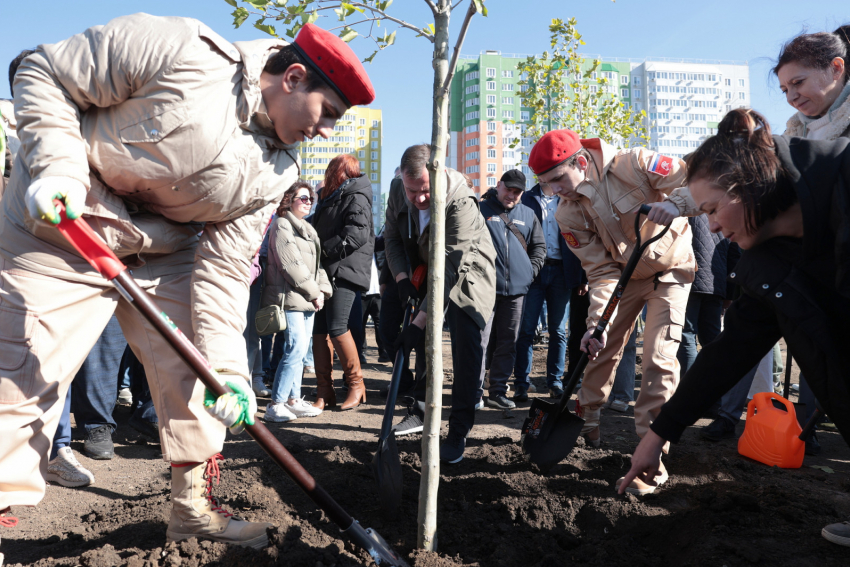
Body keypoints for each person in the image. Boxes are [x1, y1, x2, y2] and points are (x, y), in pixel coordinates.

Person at [0, 15, 374, 549]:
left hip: (159, 248)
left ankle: (193, 509)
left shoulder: (278, 170)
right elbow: (43, 70)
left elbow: (223, 269)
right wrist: (57, 166)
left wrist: (233, 371)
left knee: (200, 369)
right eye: (328, 114)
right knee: (20, 370)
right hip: (63, 224)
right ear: (293, 78)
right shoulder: (181, 50)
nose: (325, 131)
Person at [618, 108, 850, 546]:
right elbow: (728, 351)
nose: (711, 225)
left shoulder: (843, 182)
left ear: (747, 188)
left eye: (710, 209)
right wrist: (659, 433)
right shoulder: (766, 264)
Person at [530, 128, 699, 495]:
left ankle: (651, 460)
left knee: (658, 357)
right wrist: (597, 324)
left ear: (580, 161)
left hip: (671, 271)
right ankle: (586, 419)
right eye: (547, 184)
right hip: (626, 276)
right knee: (599, 347)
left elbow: (695, 178)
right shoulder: (567, 213)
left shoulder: (634, 164)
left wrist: (678, 204)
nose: (555, 189)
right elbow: (601, 270)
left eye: (558, 179)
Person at [387, 144, 497, 463]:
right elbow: (393, 238)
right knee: (422, 341)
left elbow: (449, 269)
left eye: (424, 191)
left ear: (438, 175)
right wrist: (402, 279)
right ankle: (420, 412)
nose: (419, 199)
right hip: (425, 266)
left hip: (468, 271)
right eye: (412, 191)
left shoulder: (460, 201)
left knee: (467, 347)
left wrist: (417, 323)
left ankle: (458, 431)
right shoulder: (398, 189)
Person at [262, 181, 332, 422]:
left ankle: (293, 400)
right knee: (295, 349)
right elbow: (290, 265)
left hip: (307, 300)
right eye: (303, 198)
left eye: (310, 198)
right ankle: (276, 404)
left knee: (301, 352)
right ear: (289, 201)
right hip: (289, 299)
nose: (309, 202)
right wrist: (314, 292)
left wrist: (322, 291)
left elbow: (317, 266)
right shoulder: (282, 225)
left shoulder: (308, 229)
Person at [310, 154, 374, 410]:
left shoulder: (355, 195)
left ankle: (356, 385)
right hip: (328, 271)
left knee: (337, 327)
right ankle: (325, 391)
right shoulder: (331, 197)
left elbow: (357, 234)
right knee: (319, 332)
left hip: (344, 271)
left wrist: (324, 251)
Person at [478, 170, 546, 409]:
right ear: (499, 185)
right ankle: (475, 393)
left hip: (517, 290)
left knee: (509, 341)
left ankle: (497, 391)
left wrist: (529, 272)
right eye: (508, 189)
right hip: (484, 289)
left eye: (517, 192)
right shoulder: (480, 210)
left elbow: (539, 247)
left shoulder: (528, 214)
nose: (512, 195)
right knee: (480, 341)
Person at [514, 180, 584, 401]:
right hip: (532, 272)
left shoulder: (571, 200)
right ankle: (521, 384)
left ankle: (555, 381)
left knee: (558, 331)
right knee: (526, 330)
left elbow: (581, 237)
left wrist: (582, 276)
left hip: (562, 271)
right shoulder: (526, 199)